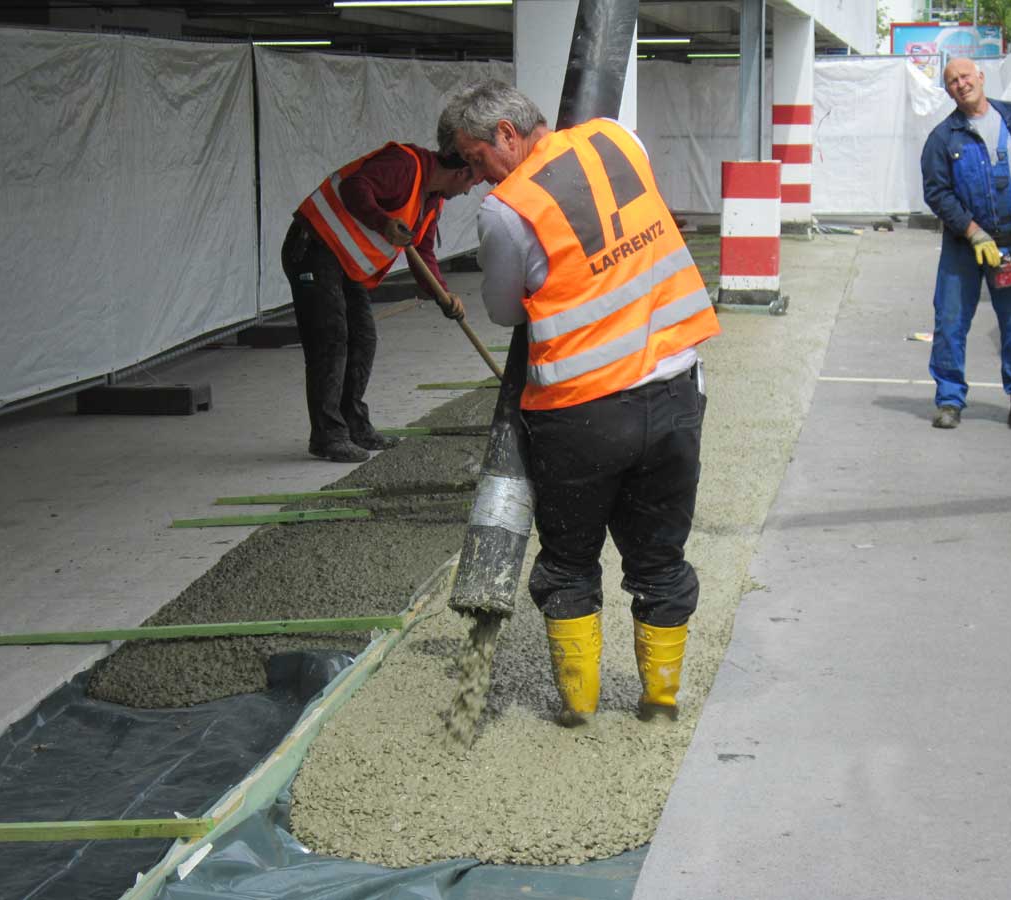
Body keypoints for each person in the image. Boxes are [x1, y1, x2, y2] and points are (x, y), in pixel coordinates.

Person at [437, 81, 721, 725]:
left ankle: (579, 708)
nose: (480, 178)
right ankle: (660, 700)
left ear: (506, 134)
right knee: (660, 557)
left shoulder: (508, 211)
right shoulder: (617, 139)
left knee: (569, 562)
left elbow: (506, 309)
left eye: (478, 160)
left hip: (581, 413)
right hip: (675, 392)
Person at [282, 143, 476, 462]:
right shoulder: (406, 166)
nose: (469, 191)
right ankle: (328, 436)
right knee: (331, 339)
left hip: (343, 262)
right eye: (472, 182)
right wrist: (383, 222)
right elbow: (354, 188)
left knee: (363, 338)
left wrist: (442, 294)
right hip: (313, 247)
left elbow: (423, 252)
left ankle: (353, 425)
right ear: (461, 172)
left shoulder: (431, 200)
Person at [920, 57, 1011, 431]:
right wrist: (972, 231)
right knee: (950, 320)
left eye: (965, 76)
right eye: (952, 81)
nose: (961, 84)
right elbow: (937, 193)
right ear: (948, 90)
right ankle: (949, 400)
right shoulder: (942, 138)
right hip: (964, 247)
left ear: (981, 77)